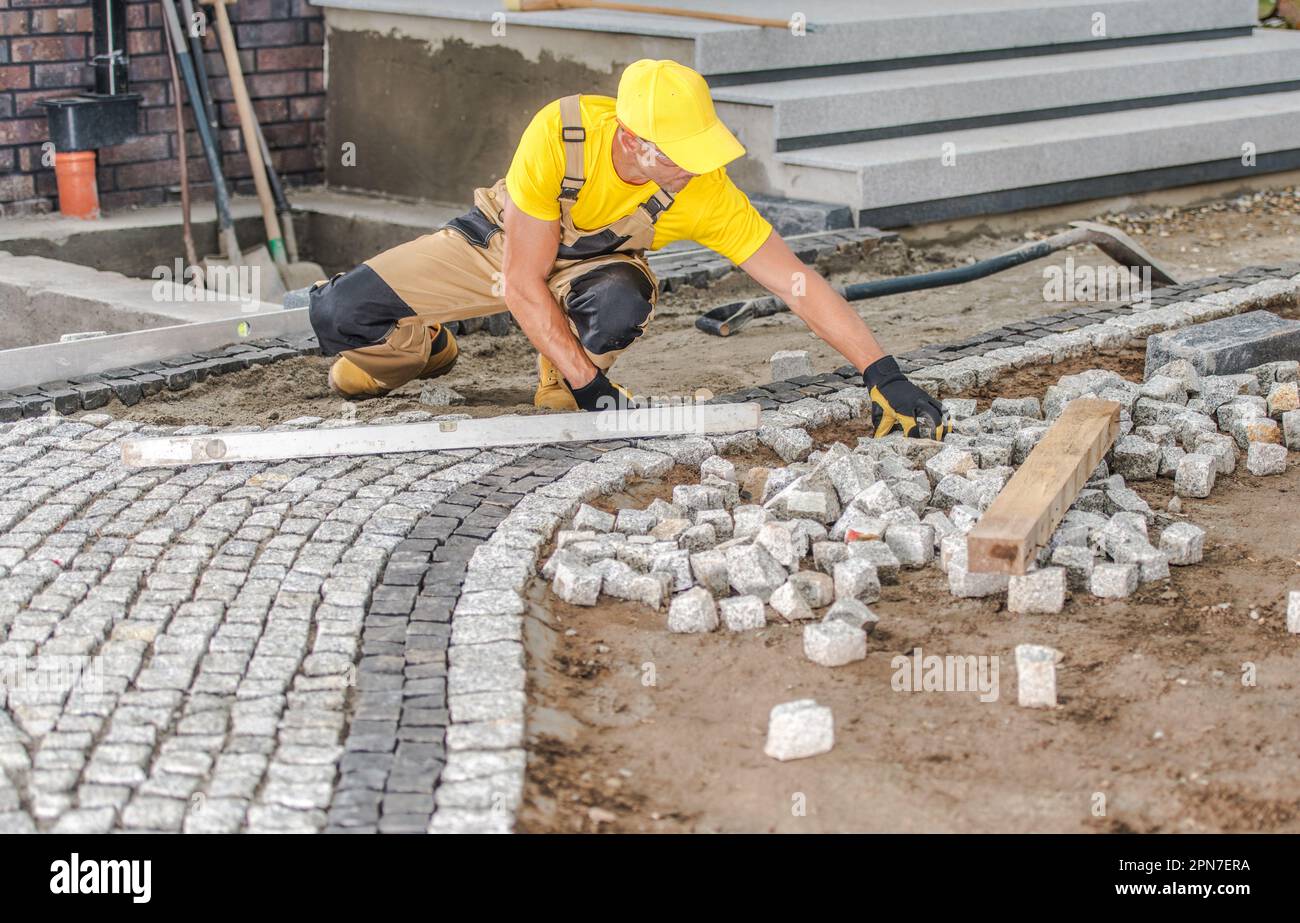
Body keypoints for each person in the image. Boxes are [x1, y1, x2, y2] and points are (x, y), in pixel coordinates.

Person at [307, 58, 948, 439]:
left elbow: (795, 283)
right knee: (338, 319)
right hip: (499, 247)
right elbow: (522, 282)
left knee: (617, 305)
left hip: (590, 273)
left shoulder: (705, 191)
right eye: (682, 155)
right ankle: (429, 348)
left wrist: (882, 374)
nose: (697, 169)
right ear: (635, 140)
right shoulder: (561, 133)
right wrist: (601, 395)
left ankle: (560, 377)